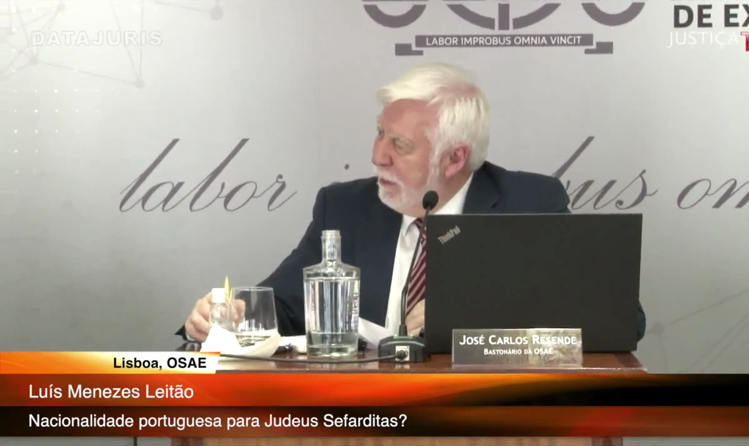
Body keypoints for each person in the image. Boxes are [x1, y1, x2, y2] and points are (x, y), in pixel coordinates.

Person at [180, 62, 647, 343]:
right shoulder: (343, 207)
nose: (376, 155)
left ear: (454, 158)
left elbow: (622, 319)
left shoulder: (529, 204)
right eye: (379, 133)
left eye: (399, 145)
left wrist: (478, 317)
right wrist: (229, 315)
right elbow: (282, 306)